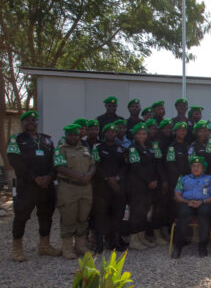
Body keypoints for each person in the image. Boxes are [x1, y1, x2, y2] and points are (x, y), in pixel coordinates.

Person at [7, 111, 61, 261]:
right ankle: (17, 248)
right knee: (21, 216)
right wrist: (34, 178)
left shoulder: (47, 140)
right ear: (22, 123)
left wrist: (50, 176)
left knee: (46, 215)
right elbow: (15, 161)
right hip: (27, 186)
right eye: (27, 120)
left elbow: (55, 160)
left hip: (47, 185)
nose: (31, 122)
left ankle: (44, 245)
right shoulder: (16, 140)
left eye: (33, 120)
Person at [53, 124, 96, 259]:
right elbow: (60, 167)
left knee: (83, 216)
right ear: (66, 135)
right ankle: (67, 247)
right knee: (68, 216)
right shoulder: (61, 149)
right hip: (68, 188)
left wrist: (89, 174)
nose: (73, 137)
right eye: (70, 135)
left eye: (76, 135)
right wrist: (80, 177)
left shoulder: (84, 148)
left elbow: (93, 164)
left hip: (85, 187)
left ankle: (80, 245)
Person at [171, 156, 211, 259]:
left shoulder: (210, 179)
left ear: (203, 168)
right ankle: (177, 247)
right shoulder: (183, 178)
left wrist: (202, 202)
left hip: (203, 203)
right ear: (190, 168)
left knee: (205, 214)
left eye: (198, 166)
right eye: (193, 166)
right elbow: (177, 195)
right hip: (186, 203)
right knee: (183, 214)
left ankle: (202, 247)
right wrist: (187, 201)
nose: (196, 168)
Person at [90, 122, 127, 253]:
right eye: (108, 132)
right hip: (102, 187)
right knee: (100, 216)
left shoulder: (121, 148)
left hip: (117, 187)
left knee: (117, 215)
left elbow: (124, 166)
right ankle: (99, 243)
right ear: (104, 134)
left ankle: (114, 242)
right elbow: (96, 165)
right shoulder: (98, 148)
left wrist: (116, 179)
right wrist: (107, 178)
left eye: (113, 132)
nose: (111, 134)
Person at [126, 123, 159, 251]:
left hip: (149, 185)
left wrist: (154, 179)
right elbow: (136, 167)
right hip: (137, 185)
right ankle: (134, 239)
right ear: (135, 135)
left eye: (144, 133)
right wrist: (149, 180)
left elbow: (154, 164)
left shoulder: (149, 146)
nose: (142, 135)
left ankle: (142, 237)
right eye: (139, 133)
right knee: (136, 212)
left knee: (144, 212)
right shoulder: (133, 148)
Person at [162, 122, 191, 245]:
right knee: (173, 209)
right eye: (179, 130)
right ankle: (173, 237)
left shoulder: (187, 146)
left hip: (187, 183)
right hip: (175, 182)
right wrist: (181, 180)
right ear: (175, 132)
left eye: (184, 131)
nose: (182, 133)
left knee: (183, 210)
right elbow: (170, 165)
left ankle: (182, 236)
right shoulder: (171, 147)